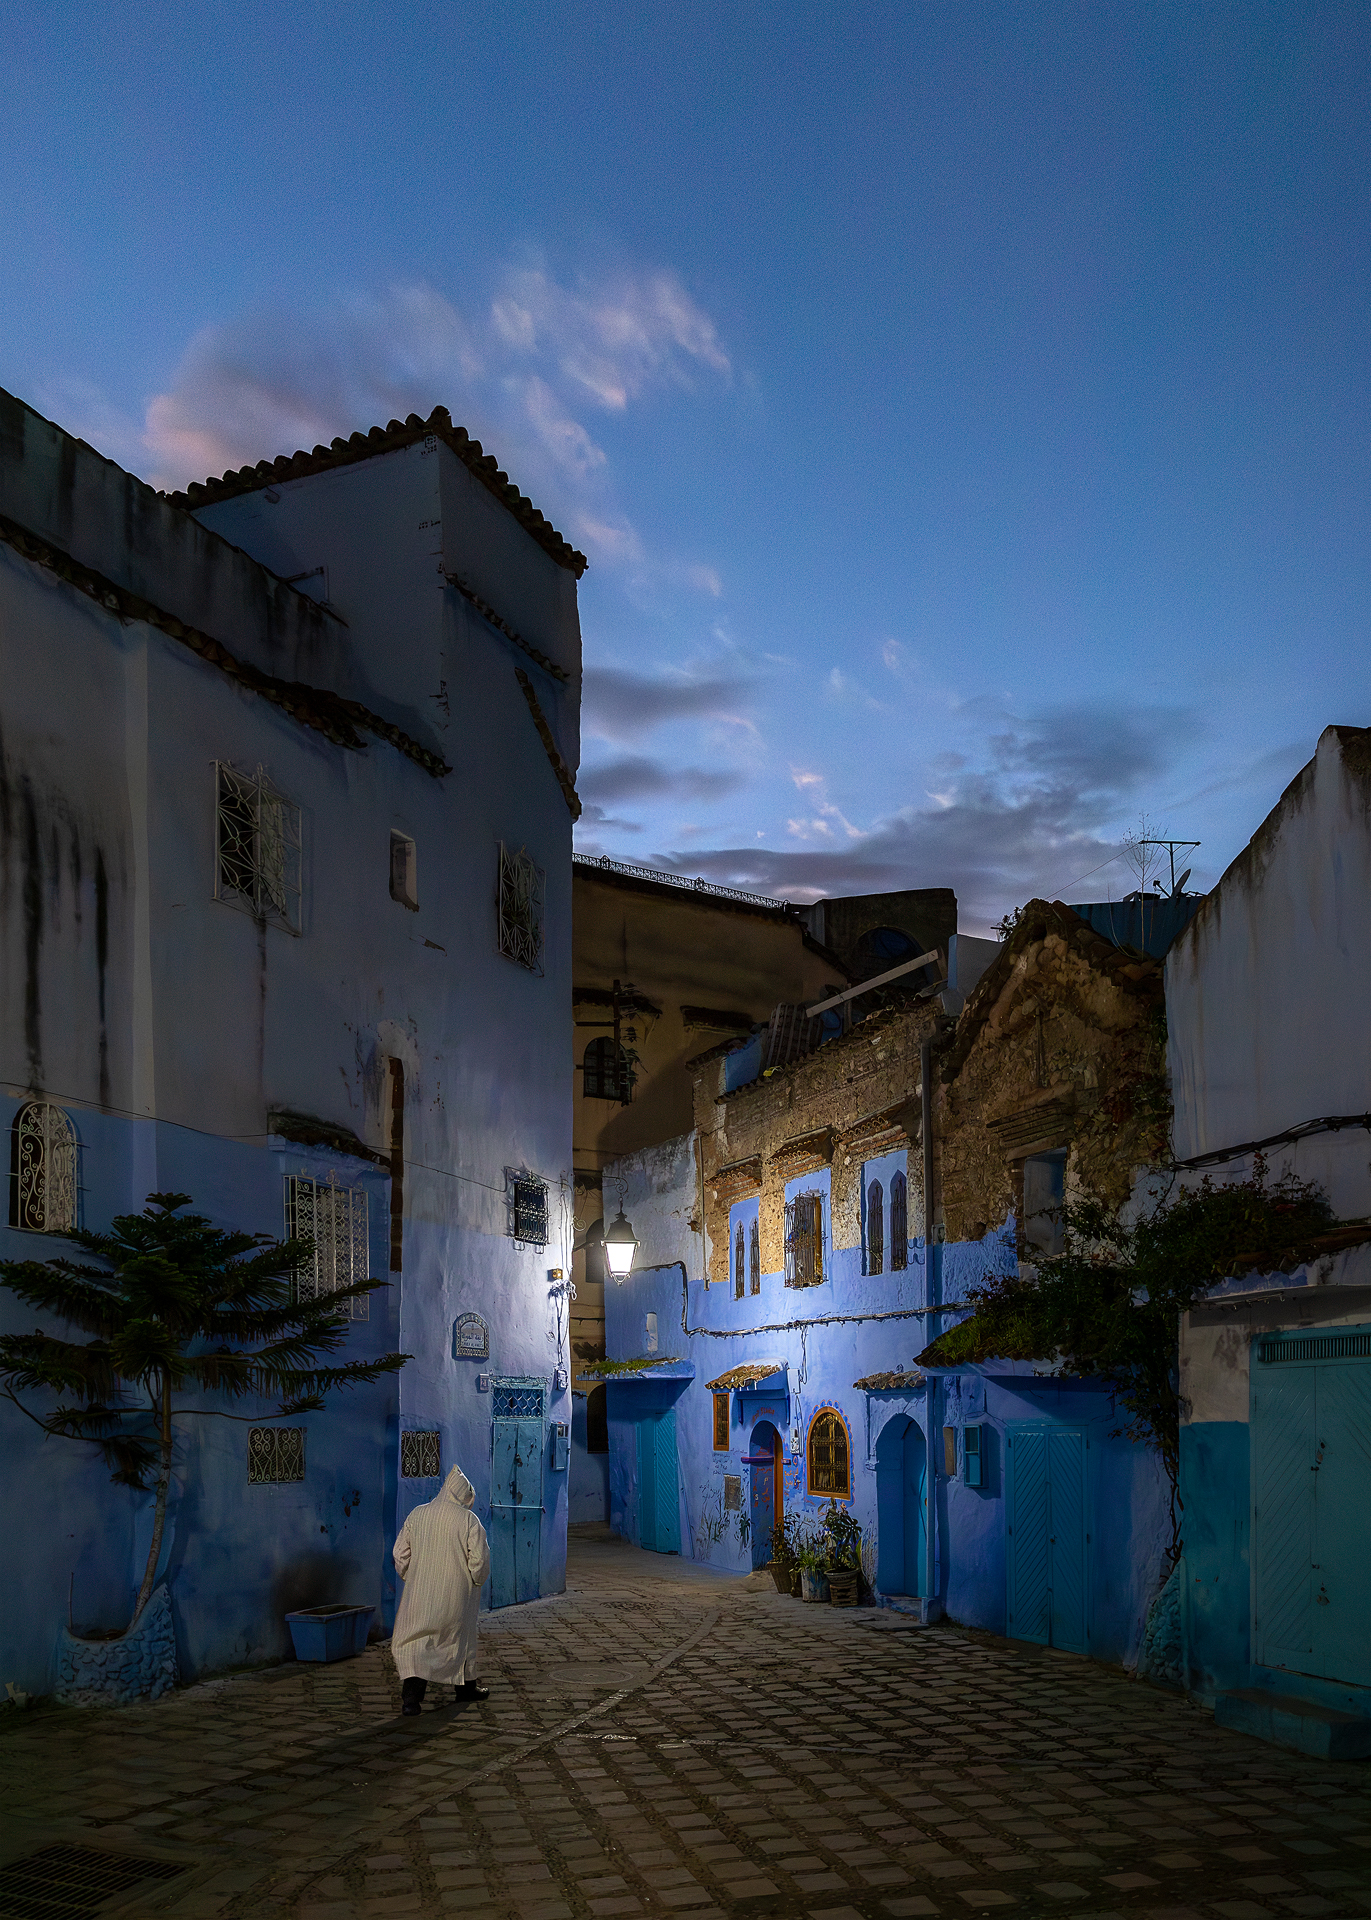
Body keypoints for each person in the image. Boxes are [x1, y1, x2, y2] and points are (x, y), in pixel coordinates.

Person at [392, 1461, 491, 1716]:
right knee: (460, 1639)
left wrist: (412, 1577)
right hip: (456, 1596)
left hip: (418, 1596)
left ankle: (411, 1701)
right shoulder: (468, 1520)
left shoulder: (417, 1514)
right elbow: (479, 1560)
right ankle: (466, 1689)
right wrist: (475, 1581)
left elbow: (400, 1554)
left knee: (416, 1644)